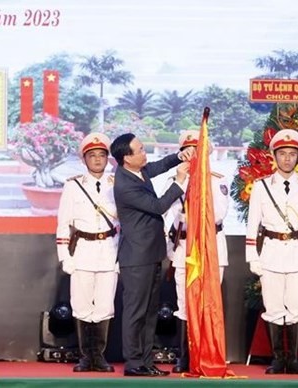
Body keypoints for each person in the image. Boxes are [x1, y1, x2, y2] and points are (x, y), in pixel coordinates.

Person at [110, 133, 193, 377]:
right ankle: (134, 362)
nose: (145, 153)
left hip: (151, 254)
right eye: (140, 150)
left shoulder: (139, 170)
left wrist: (179, 156)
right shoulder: (124, 184)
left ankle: (146, 361)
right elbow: (157, 206)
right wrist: (179, 182)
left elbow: (159, 165)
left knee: (149, 312)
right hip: (136, 259)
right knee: (136, 312)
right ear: (126, 158)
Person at [246, 129, 298, 375]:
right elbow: (253, 224)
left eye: (291, 154)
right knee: (274, 307)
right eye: (282, 154)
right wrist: (252, 258)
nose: (287, 158)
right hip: (271, 254)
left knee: (297, 306)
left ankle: (294, 360)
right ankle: (278, 359)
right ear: (274, 156)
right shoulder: (261, 187)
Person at [163, 130, 229, 373]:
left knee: (207, 303)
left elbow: (218, 215)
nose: (192, 156)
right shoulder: (176, 180)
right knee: (184, 302)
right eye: (188, 151)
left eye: (197, 150)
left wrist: (198, 187)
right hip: (184, 250)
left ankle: (207, 353)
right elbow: (168, 214)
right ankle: (186, 355)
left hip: (210, 249)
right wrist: (182, 183)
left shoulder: (217, 180)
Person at [56, 133, 119, 373]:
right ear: (84, 159)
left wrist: (119, 257)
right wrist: (65, 257)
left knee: (104, 306)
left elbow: (122, 225)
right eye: (92, 156)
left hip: (108, 251)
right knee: (81, 305)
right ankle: (85, 357)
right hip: (82, 251)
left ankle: (99, 357)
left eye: (102, 155)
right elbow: (63, 223)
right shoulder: (73, 186)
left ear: (107, 159)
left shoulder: (117, 184)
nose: (97, 160)